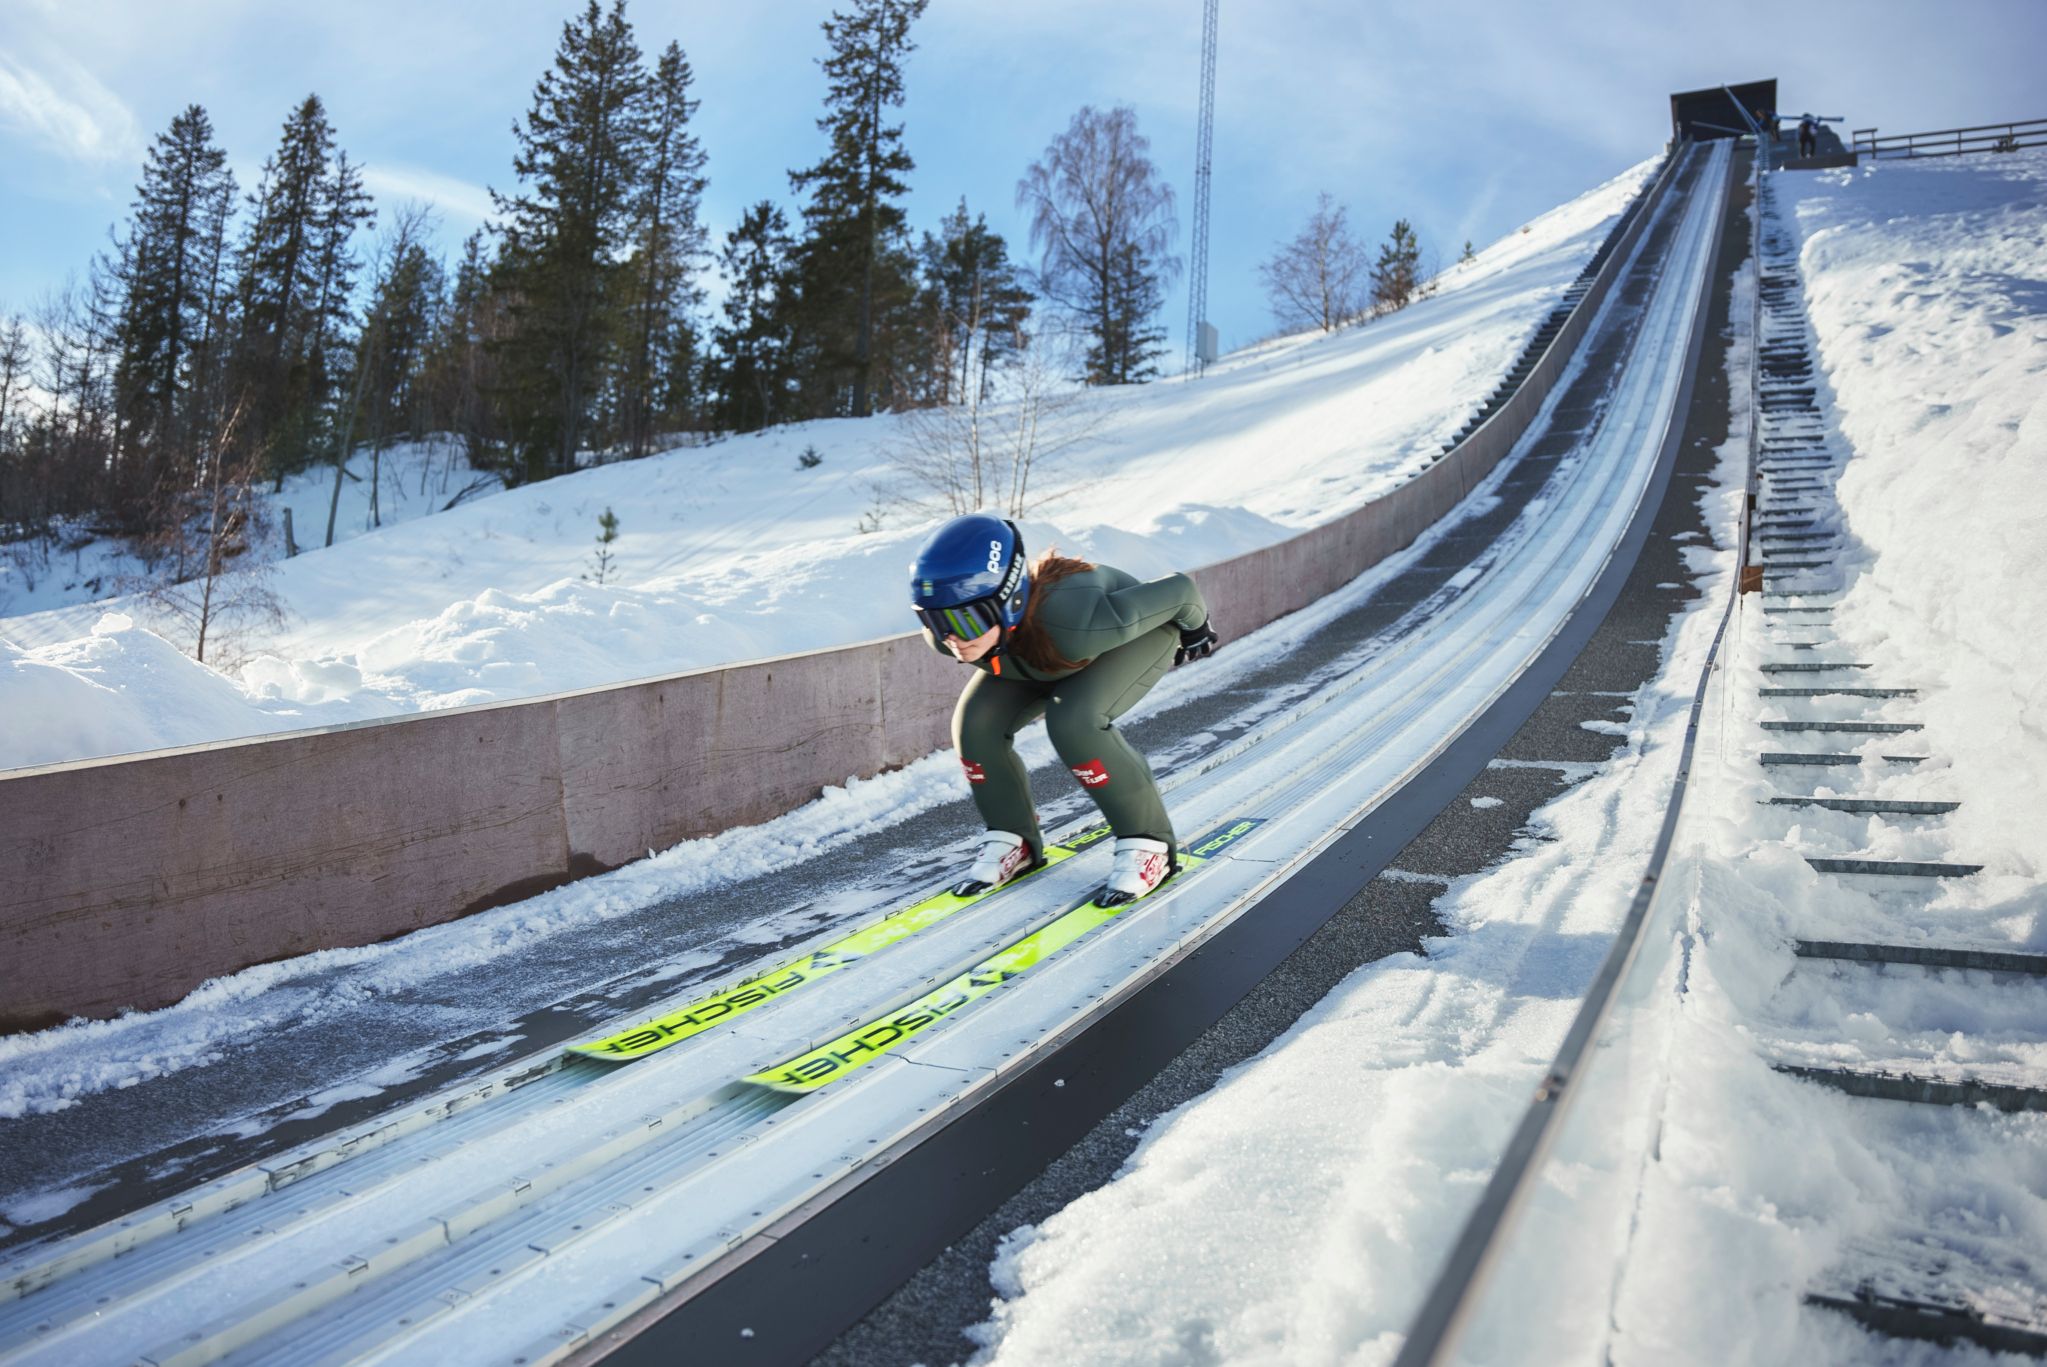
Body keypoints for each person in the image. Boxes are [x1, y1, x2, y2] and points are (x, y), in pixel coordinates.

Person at [910, 514, 1219, 908]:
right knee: (975, 726)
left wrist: (1196, 630)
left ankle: (1149, 846)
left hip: (1128, 638)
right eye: (933, 620)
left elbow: (1180, 591)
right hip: (1027, 652)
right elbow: (959, 630)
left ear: (1008, 602)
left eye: (964, 620)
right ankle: (1015, 839)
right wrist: (962, 626)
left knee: (1074, 722)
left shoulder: (1076, 621)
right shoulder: (957, 637)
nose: (950, 638)